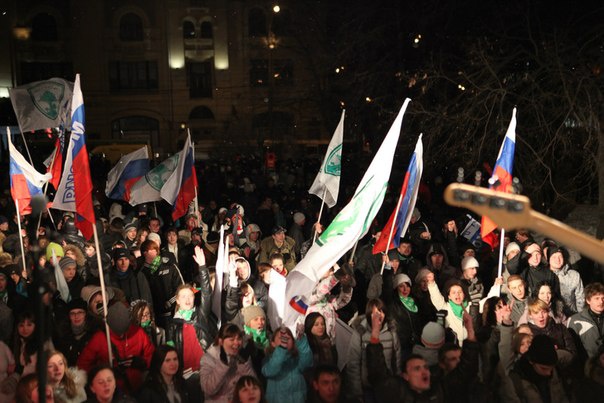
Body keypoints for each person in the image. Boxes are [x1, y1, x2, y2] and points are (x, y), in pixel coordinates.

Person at [77, 302, 155, 394]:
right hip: (111, 393)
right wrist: (103, 371)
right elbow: (82, 365)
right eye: (117, 333)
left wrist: (142, 362)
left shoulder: (138, 333)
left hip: (138, 389)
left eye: (124, 331)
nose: (121, 336)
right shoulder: (99, 339)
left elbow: (152, 356)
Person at [346, 299, 401, 402]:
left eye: (381, 311)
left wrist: (397, 380)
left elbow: (397, 358)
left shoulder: (391, 331)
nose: (379, 315)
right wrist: (357, 393)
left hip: (387, 385)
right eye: (375, 313)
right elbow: (353, 363)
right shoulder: (360, 333)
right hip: (367, 387)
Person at [199, 323, 256, 403]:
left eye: (239, 339)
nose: (236, 343)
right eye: (232, 340)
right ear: (221, 341)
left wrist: (244, 364)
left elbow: (253, 384)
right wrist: (223, 364)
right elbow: (208, 389)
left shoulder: (242, 357)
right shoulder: (208, 358)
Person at [505, 334, 570, 402]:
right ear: (531, 361)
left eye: (551, 368)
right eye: (543, 368)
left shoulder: (555, 372)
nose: (549, 373)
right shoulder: (515, 381)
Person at [262, 327, 313, 403]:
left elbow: (307, 362)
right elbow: (270, 371)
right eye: (281, 338)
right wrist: (281, 349)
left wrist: (301, 340)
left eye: (288, 338)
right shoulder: (268, 359)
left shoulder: (296, 359)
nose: (285, 340)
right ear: (273, 343)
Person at [526, 299, 576, 368]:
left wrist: (558, 350)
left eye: (543, 312)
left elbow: (572, 353)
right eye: (536, 313)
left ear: (548, 312)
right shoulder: (528, 334)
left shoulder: (561, 328)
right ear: (530, 315)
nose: (541, 316)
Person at [568, 282, 604, 358]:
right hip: (587, 365)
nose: (601, 301)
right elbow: (573, 348)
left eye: (603, 298)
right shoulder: (575, 321)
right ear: (588, 300)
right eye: (597, 298)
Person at [547, 245, 584, 315]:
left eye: (560, 256)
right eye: (554, 257)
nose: (557, 260)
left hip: (572, 315)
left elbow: (580, 297)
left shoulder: (574, 275)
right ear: (548, 259)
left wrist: (579, 316)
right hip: (551, 317)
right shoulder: (544, 275)